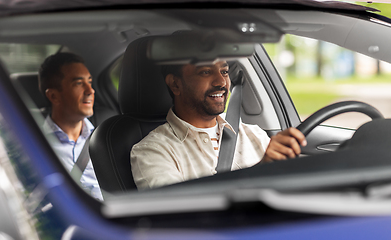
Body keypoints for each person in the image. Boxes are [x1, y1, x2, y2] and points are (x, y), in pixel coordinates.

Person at [130, 60, 307, 190]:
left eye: (224, 71)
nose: (221, 82)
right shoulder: (152, 151)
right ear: (175, 84)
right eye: (206, 72)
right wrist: (260, 171)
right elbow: (179, 218)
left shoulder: (253, 134)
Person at [39, 52, 103, 200]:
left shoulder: (105, 139)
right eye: (79, 83)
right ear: (54, 96)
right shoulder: (35, 145)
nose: (90, 90)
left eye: (89, 82)